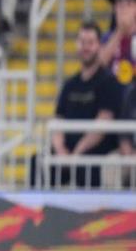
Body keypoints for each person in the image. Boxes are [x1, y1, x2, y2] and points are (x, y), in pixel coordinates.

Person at [52, 20, 122, 187]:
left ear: (99, 45)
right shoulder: (70, 85)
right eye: (82, 42)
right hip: (67, 151)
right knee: (37, 162)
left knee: (87, 166)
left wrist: (77, 154)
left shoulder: (109, 82)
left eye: (90, 43)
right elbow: (58, 120)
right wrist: (60, 150)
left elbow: (102, 124)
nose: (86, 47)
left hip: (94, 151)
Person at [100, 0, 136, 91]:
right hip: (112, 92)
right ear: (115, 8)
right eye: (120, 4)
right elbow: (99, 65)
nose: (124, 9)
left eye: (129, 4)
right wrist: (119, 31)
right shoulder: (107, 38)